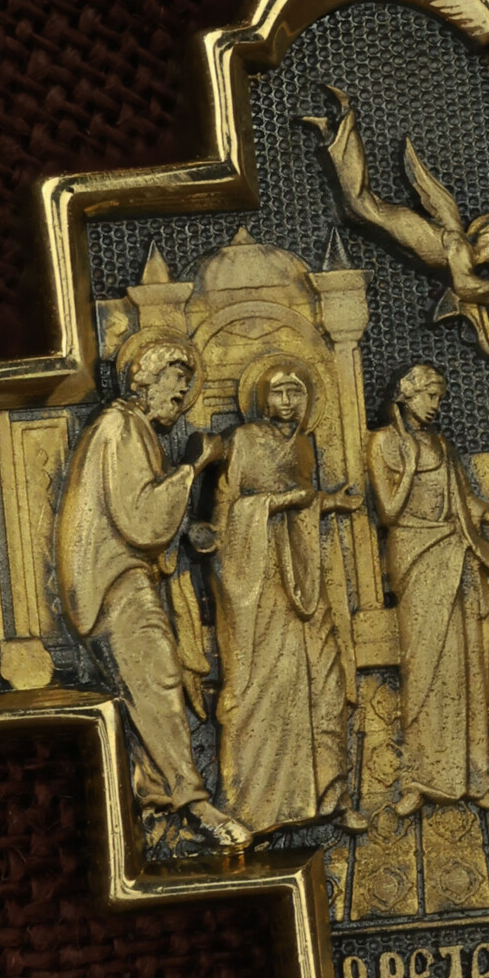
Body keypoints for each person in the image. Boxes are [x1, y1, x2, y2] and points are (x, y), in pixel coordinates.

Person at [56, 331, 250, 848]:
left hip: (124, 576)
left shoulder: (131, 427)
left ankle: (157, 803)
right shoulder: (119, 426)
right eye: (176, 380)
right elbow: (141, 520)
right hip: (113, 581)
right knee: (158, 677)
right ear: (145, 378)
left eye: (187, 384)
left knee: (143, 688)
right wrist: (194, 466)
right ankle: (197, 803)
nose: (182, 393)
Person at [366, 363, 489, 813]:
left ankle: (477, 775)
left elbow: (464, 501)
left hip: (455, 554)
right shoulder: (382, 443)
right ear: (406, 395)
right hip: (416, 557)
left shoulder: (443, 445)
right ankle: (421, 778)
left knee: (468, 665)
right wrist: (409, 466)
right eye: (430, 396)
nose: (436, 405)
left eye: (439, 397)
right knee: (423, 667)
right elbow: (388, 512)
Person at [212, 358, 365, 837]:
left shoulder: (301, 445)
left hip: (302, 574)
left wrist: (330, 501)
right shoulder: (243, 440)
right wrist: (279, 503)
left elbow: (305, 499)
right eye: (278, 392)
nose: (287, 402)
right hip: (258, 582)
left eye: (296, 393)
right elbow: (224, 512)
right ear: (261, 398)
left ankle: (331, 796)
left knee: (323, 680)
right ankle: (256, 809)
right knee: (266, 687)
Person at [302, 84, 489, 358]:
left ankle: (331, 132)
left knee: (355, 209)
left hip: (410, 230)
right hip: (411, 228)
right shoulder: (463, 251)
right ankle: (346, 116)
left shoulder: (461, 245)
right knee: (359, 203)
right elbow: (464, 286)